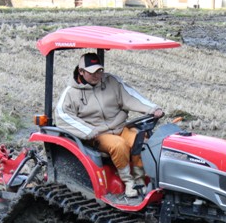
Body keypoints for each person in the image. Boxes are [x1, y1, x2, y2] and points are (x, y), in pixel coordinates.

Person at [54, 52, 164, 198]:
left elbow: (131, 96)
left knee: (141, 140)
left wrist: (153, 109)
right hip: (97, 134)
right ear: (81, 71)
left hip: (119, 127)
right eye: (92, 72)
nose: (97, 75)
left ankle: (140, 179)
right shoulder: (71, 93)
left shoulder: (111, 82)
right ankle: (129, 183)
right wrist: (88, 131)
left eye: (100, 71)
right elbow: (62, 115)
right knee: (119, 145)